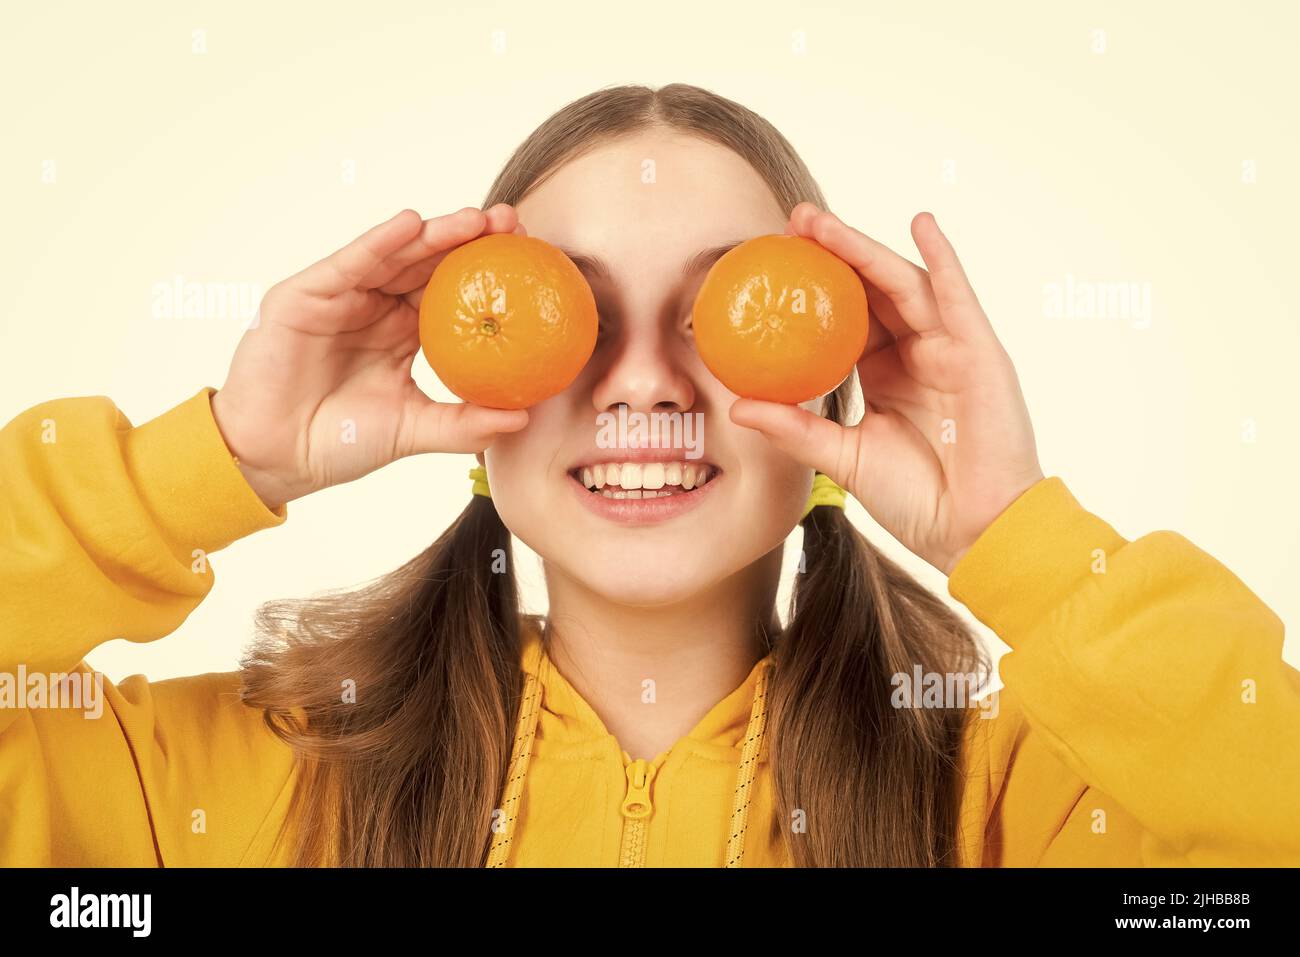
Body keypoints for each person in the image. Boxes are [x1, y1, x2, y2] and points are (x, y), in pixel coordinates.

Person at [2, 84, 1295, 868]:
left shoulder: (1014, 798)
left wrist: (1016, 531)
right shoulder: (238, 777)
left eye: (727, 310)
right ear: (476, 382)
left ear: (838, 378)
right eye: (570, 309)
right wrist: (219, 457)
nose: (641, 383)